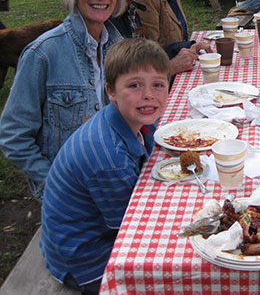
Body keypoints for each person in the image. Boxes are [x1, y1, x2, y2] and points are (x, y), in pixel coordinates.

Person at [40, 38, 170, 294]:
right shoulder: (110, 159)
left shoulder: (132, 120)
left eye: (158, 85)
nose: (148, 95)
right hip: (85, 258)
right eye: (134, 85)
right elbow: (132, 228)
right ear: (110, 91)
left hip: (81, 237)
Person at [0, 0, 126, 201]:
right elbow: (13, 135)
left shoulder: (118, 46)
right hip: (70, 196)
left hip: (113, 180)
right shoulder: (43, 53)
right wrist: (55, 183)